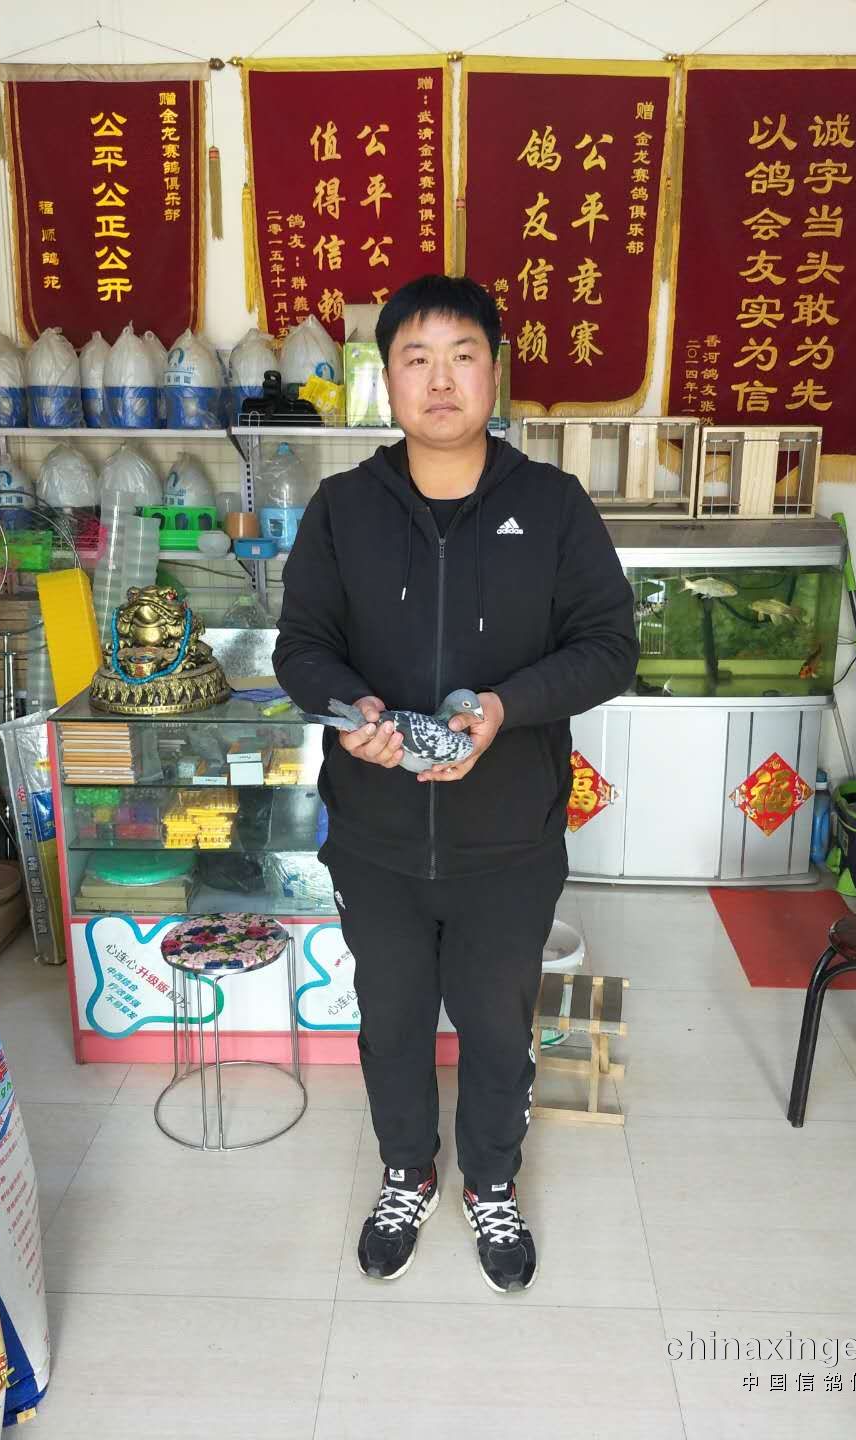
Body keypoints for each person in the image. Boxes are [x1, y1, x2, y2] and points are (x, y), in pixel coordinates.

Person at [274, 275, 638, 1293]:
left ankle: (490, 1181)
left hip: (509, 839)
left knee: (494, 1023)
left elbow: (610, 647)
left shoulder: (552, 506)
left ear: (495, 370)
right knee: (391, 1021)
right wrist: (352, 708)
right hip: (377, 837)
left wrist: (504, 710)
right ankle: (406, 1173)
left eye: (462, 355)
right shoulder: (344, 508)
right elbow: (300, 646)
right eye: (416, 359)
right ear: (387, 379)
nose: (440, 380)